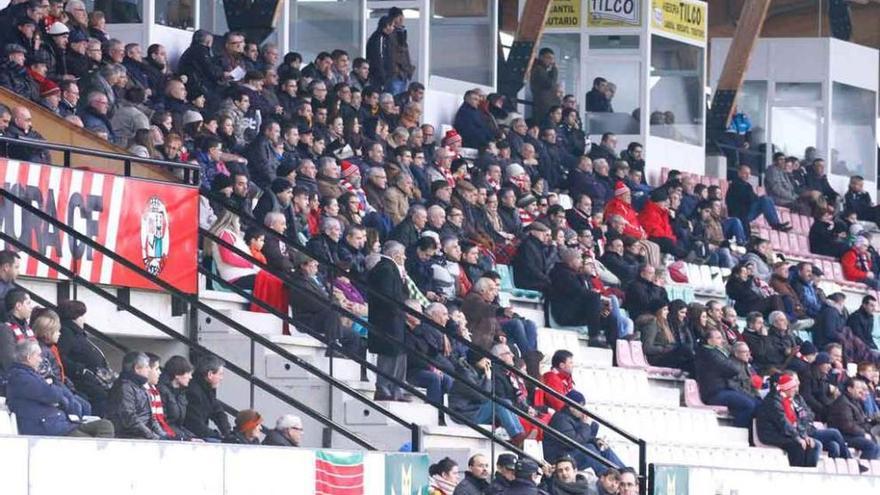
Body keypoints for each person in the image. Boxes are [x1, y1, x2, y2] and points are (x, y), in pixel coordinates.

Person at [5, 340, 114, 438]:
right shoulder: (20, 377)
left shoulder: (31, 375)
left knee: (105, 426)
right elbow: (53, 395)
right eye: (38, 356)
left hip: (60, 424)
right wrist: (52, 388)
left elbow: (55, 392)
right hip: (48, 428)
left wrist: (52, 386)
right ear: (29, 358)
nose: (40, 359)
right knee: (88, 442)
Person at [450, 349, 526, 444]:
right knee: (499, 404)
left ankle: (519, 434)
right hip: (464, 414)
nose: (489, 362)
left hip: (475, 410)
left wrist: (487, 378)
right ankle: (516, 436)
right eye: (486, 360)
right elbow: (482, 397)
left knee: (507, 402)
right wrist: (488, 378)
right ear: (477, 360)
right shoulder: (465, 376)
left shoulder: (477, 373)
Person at [544, 390, 623, 475]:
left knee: (603, 448)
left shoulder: (573, 418)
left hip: (570, 453)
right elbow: (573, 443)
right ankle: (607, 475)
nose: (583, 409)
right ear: (571, 406)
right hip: (560, 457)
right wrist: (586, 425)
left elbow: (583, 438)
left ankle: (624, 473)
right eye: (581, 406)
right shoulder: (561, 419)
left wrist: (595, 441)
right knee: (589, 449)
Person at [368, 241, 410, 401]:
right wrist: (396, 311)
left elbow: (401, 294)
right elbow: (386, 296)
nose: (405, 257)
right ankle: (384, 388)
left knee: (398, 354)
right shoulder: (385, 269)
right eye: (403, 254)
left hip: (393, 320)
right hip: (386, 321)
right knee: (388, 354)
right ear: (395, 255)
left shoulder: (392, 269)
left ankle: (396, 389)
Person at [694, 329, 761, 427]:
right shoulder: (708, 352)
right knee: (748, 405)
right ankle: (738, 432)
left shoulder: (718, 352)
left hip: (725, 390)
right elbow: (732, 369)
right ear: (709, 341)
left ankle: (751, 435)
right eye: (718, 338)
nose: (722, 341)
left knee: (758, 404)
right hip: (715, 393)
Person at [755, 373, 822, 467]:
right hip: (772, 434)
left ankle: (808, 473)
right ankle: (797, 472)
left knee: (814, 445)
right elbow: (783, 423)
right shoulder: (774, 401)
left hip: (784, 433)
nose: (795, 390)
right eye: (793, 387)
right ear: (787, 388)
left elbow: (797, 421)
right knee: (798, 445)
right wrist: (797, 438)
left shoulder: (788, 400)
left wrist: (804, 436)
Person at [105, 351, 166, 439]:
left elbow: (152, 419)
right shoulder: (124, 388)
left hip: (144, 436)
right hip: (129, 437)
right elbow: (129, 418)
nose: (149, 370)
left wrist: (164, 436)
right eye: (147, 367)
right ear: (137, 368)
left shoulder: (142, 388)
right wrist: (152, 436)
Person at [547, 247, 602, 340]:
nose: (581, 261)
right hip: (565, 314)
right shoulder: (561, 274)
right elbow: (577, 292)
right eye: (579, 258)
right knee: (594, 297)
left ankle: (615, 343)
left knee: (607, 313)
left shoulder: (575, 274)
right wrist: (593, 294)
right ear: (571, 260)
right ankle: (594, 337)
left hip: (574, 311)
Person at [725, 165, 791, 232]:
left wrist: (755, 199)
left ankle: (776, 224)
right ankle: (775, 225)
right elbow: (747, 199)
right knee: (765, 199)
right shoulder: (735, 185)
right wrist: (755, 199)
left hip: (747, 211)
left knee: (767, 199)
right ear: (739, 173)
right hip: (740, 215)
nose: (748, 176)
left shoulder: (748, 186)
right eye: (745, 173)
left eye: (749, 174)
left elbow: (753, 197)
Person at [828, 378, 880, 460]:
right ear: (850, 389)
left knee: (876, 442)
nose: (861, 390)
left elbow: (862, 421)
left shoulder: (854, 401)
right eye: (858, 388)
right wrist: (863, 434)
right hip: (843, 436)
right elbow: (847, 426)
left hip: (853, 434)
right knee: (871, 446)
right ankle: (862, 469)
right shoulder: (843, 403)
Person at [184, 354, 231, 440]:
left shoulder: (207, 389)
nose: (222, 378)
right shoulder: (193, 391)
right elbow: (195, 425)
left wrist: (228, 433)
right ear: (210, 374)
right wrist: (218, 436)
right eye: (220, 374)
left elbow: (218, 413)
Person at [157, 355, 196, 440]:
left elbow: (178, 425)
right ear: (177, 374)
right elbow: (163, 423)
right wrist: (186, 438)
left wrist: (191, 437)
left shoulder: (181, 393)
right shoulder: (161, 391)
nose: (190, 377)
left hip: (177, 434)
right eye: (188, 373)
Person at [512, 221, 553, 292]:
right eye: (542, 233)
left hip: (536, 280)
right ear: (533, 232)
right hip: (527, 281)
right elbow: (530, 267)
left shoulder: (539, 246)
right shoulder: (527, 245)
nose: (546, 236)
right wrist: (545, 278)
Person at [530, 48, 559, 122]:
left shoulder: (543, 70)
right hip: (544, 107)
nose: (551, 61)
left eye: (552, 59)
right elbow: (550, 84)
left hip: (546, 106)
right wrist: (554, 70)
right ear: (541, 57)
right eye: (549, 58)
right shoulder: (538, 69)